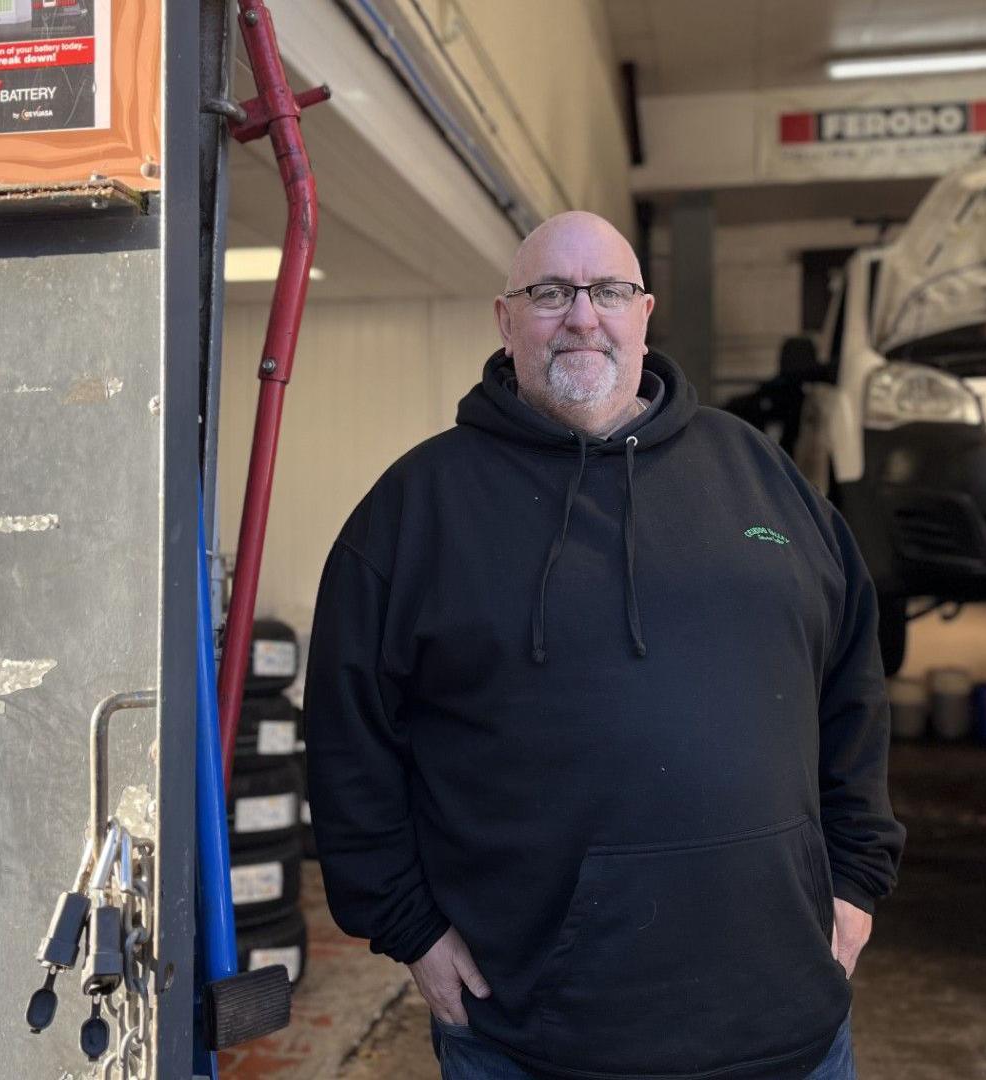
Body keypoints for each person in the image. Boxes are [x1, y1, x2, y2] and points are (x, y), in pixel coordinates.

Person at [304, 210, 904, 1080]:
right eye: (550, 293)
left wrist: (856, 880)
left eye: (609, 292)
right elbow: (347, 741)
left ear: (644, 313)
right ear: (506, 321)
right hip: (535, 1036)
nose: (583, 316)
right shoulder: (415, 512)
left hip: (787, 1020)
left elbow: (854, 682)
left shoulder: (760, 474)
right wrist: (407, 926)